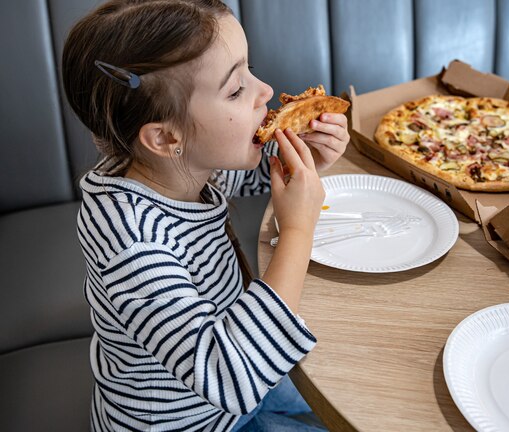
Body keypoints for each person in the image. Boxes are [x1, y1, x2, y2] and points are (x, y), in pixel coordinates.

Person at [61, 1, 350, 431]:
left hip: (243, 360)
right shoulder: (132, 241)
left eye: (249, 69)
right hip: (201, 414)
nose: (267, 91)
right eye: (236, 90)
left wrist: (303, 159)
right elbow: (231, 376)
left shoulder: (186, 165)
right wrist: (297, 230)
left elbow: (247, 179)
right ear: (165, 136)